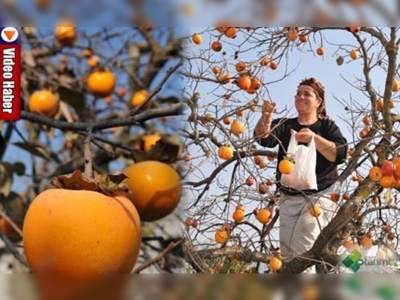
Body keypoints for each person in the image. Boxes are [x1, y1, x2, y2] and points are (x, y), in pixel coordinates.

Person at [254, 77, 348, 273]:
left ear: (318, 101)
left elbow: (339, 154)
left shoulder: (326, 127)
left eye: (307, 93)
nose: (301, 96)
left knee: (302, 251)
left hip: (319, 198)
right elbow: (262, 138)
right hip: (289, 198)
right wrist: (266, 117)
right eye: (298, 93)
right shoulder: (285, 125)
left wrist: (313, 138)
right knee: (288, 255)